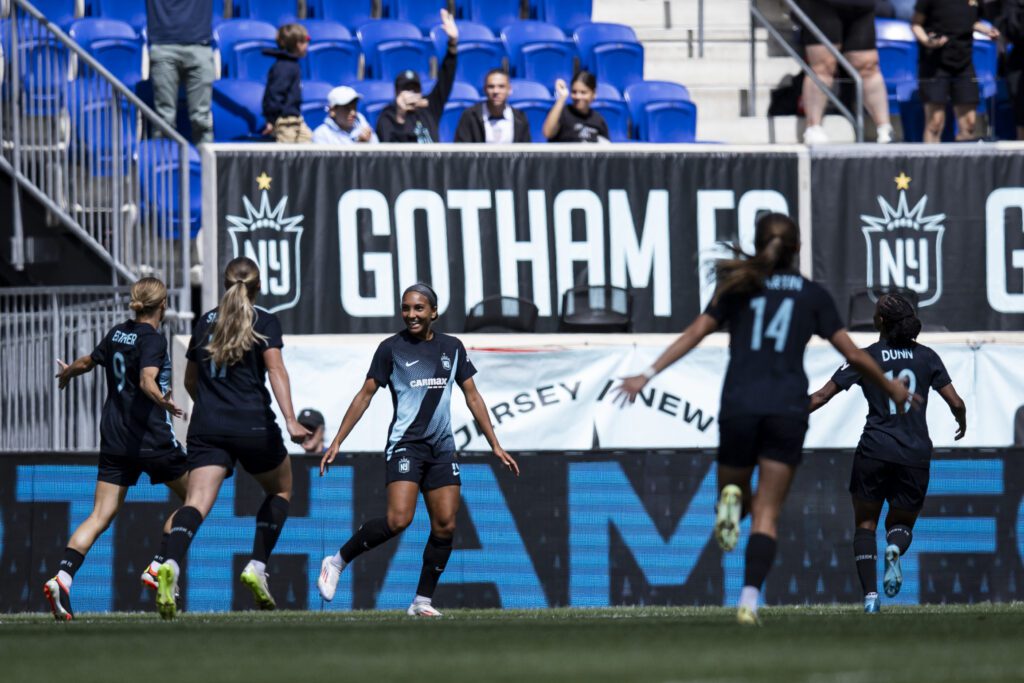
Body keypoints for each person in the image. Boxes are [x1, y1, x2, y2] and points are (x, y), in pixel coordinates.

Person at [614, 213, 914, 626]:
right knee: (768, 514)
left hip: (740, 402)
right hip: (787, 409)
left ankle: (730, 502)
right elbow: (855, 354)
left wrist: (646, 374)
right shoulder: (812, 295)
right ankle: (749, 601)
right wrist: (892, 387)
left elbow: (695, 332)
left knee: (733, 495)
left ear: (758, 246)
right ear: (797, 251)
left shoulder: (737, 285)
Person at [316, 283, 519, 617]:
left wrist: (494, 444)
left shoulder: (452, 348)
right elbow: (365, 395)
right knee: (398, 520)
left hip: (442, 449)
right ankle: (337, 562)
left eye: (419, 308)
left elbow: (472, 395)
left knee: (445, 525)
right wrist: (338, 440)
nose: (411, 314)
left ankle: (421, 601)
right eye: (406, 308)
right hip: (406, 446)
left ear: (434, 312)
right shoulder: (390, 349)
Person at [155, 257, 310, 619]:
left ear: (225, 285)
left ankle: (172, 565)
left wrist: (212, 407)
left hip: (208, 427)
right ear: (257, 287)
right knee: (281, 488)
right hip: (253, 424)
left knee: (195, 503)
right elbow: (276, 371)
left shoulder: (205, 322)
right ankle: (256, 565)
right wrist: (290, 420)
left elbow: (191, 380)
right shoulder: (265, 321)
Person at [809, 293, 966, 613]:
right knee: (901, 524)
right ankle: (894, 547)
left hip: (875, 451)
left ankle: (870, 598)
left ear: (879, 322)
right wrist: (961, 421)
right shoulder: (928, 357)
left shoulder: (865, 357)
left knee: (865, 524)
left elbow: (822, 396)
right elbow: (957, 403)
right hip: (915, 454)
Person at [44, 277, 188, 621]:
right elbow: (147, 381)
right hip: (150, 438)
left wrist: (68, 374)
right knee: (197, 497)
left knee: (99, 515)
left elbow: (88, 361)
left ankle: (62, 577)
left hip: (114, 437)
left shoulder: (117, 332)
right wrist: (164, 405)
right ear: (163, 305)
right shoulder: (153, 338)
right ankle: (157, 565)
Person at [795, 0, 895, 144]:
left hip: (860, 7)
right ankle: (813, 127)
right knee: (823, 65)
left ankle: (884, 128)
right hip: (823, 6)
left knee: (868, 65)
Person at [913, 0, 999, 142]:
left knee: (969, 124)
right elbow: (916, 24)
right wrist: (927, 40)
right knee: (935, 123)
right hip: (935, 63)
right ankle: (931, 163)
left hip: (964, 62)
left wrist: (986, 30)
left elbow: (971, 21)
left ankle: (964, 164)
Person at [376, 9, 459, 143]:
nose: (412, 93)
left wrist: (452, 43)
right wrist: (400, 116)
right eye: (406, 89)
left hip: (432, 163)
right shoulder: (388, 115)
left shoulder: (429, 108)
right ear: (397, 93)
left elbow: (446, 78)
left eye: (415, 89)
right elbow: (388, 148)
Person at [147, 0, 215, 144]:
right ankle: (162, 164)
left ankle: (206, 165)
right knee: (164, 120)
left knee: (202, 120)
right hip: (163, 45)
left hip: (200, 46)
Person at [261, 23, 312, 143]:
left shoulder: (293, 65)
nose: (307, 45)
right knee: (286, 155)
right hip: (284, 122)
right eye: (306, 41)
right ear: (297, 44)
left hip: (296, 119)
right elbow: (274, 95)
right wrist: (271, 120)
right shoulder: (284, 67)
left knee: (309, 141)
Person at [453, 68, 532, 143]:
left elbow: (526, 152)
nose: (496, 91)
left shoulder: (520, 118)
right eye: (491, 87)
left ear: (509, 89)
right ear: (484, 90)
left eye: (501, 86)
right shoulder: (470, 116)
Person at [542, 71, 610, 143]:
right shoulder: (562, 113)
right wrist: (562, 98)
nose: (578, 96)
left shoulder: (598, 120)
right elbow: (548, 133)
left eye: (583, 92)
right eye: (574, 92)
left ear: (593, 93)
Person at [311, 86, 379, 144]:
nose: (353, 113)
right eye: (346, 108)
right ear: (332, 111)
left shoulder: (364, 126)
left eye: (354, 107)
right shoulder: (321, 135)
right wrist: (359, 146)